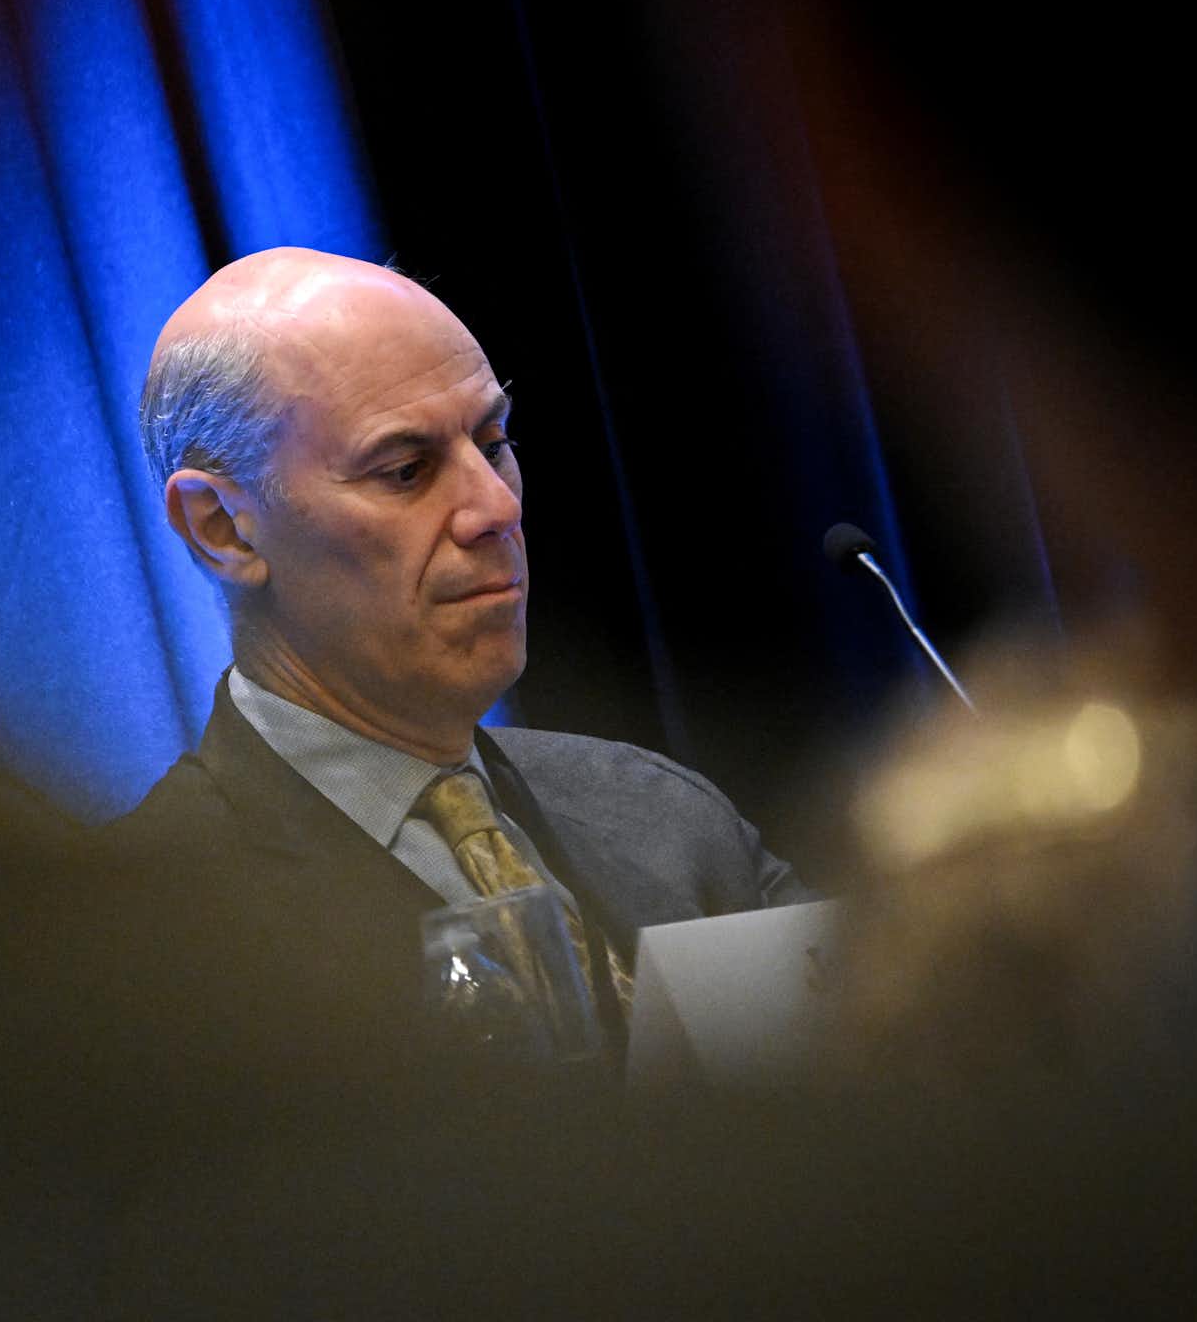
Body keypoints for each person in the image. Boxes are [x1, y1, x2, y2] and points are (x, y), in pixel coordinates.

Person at [102, 246, 811, 1051]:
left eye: (494, 441)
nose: (493, 508)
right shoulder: (148, 942)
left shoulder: (663, 816)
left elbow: (858, 1129)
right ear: (222, 528)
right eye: (406, 470)